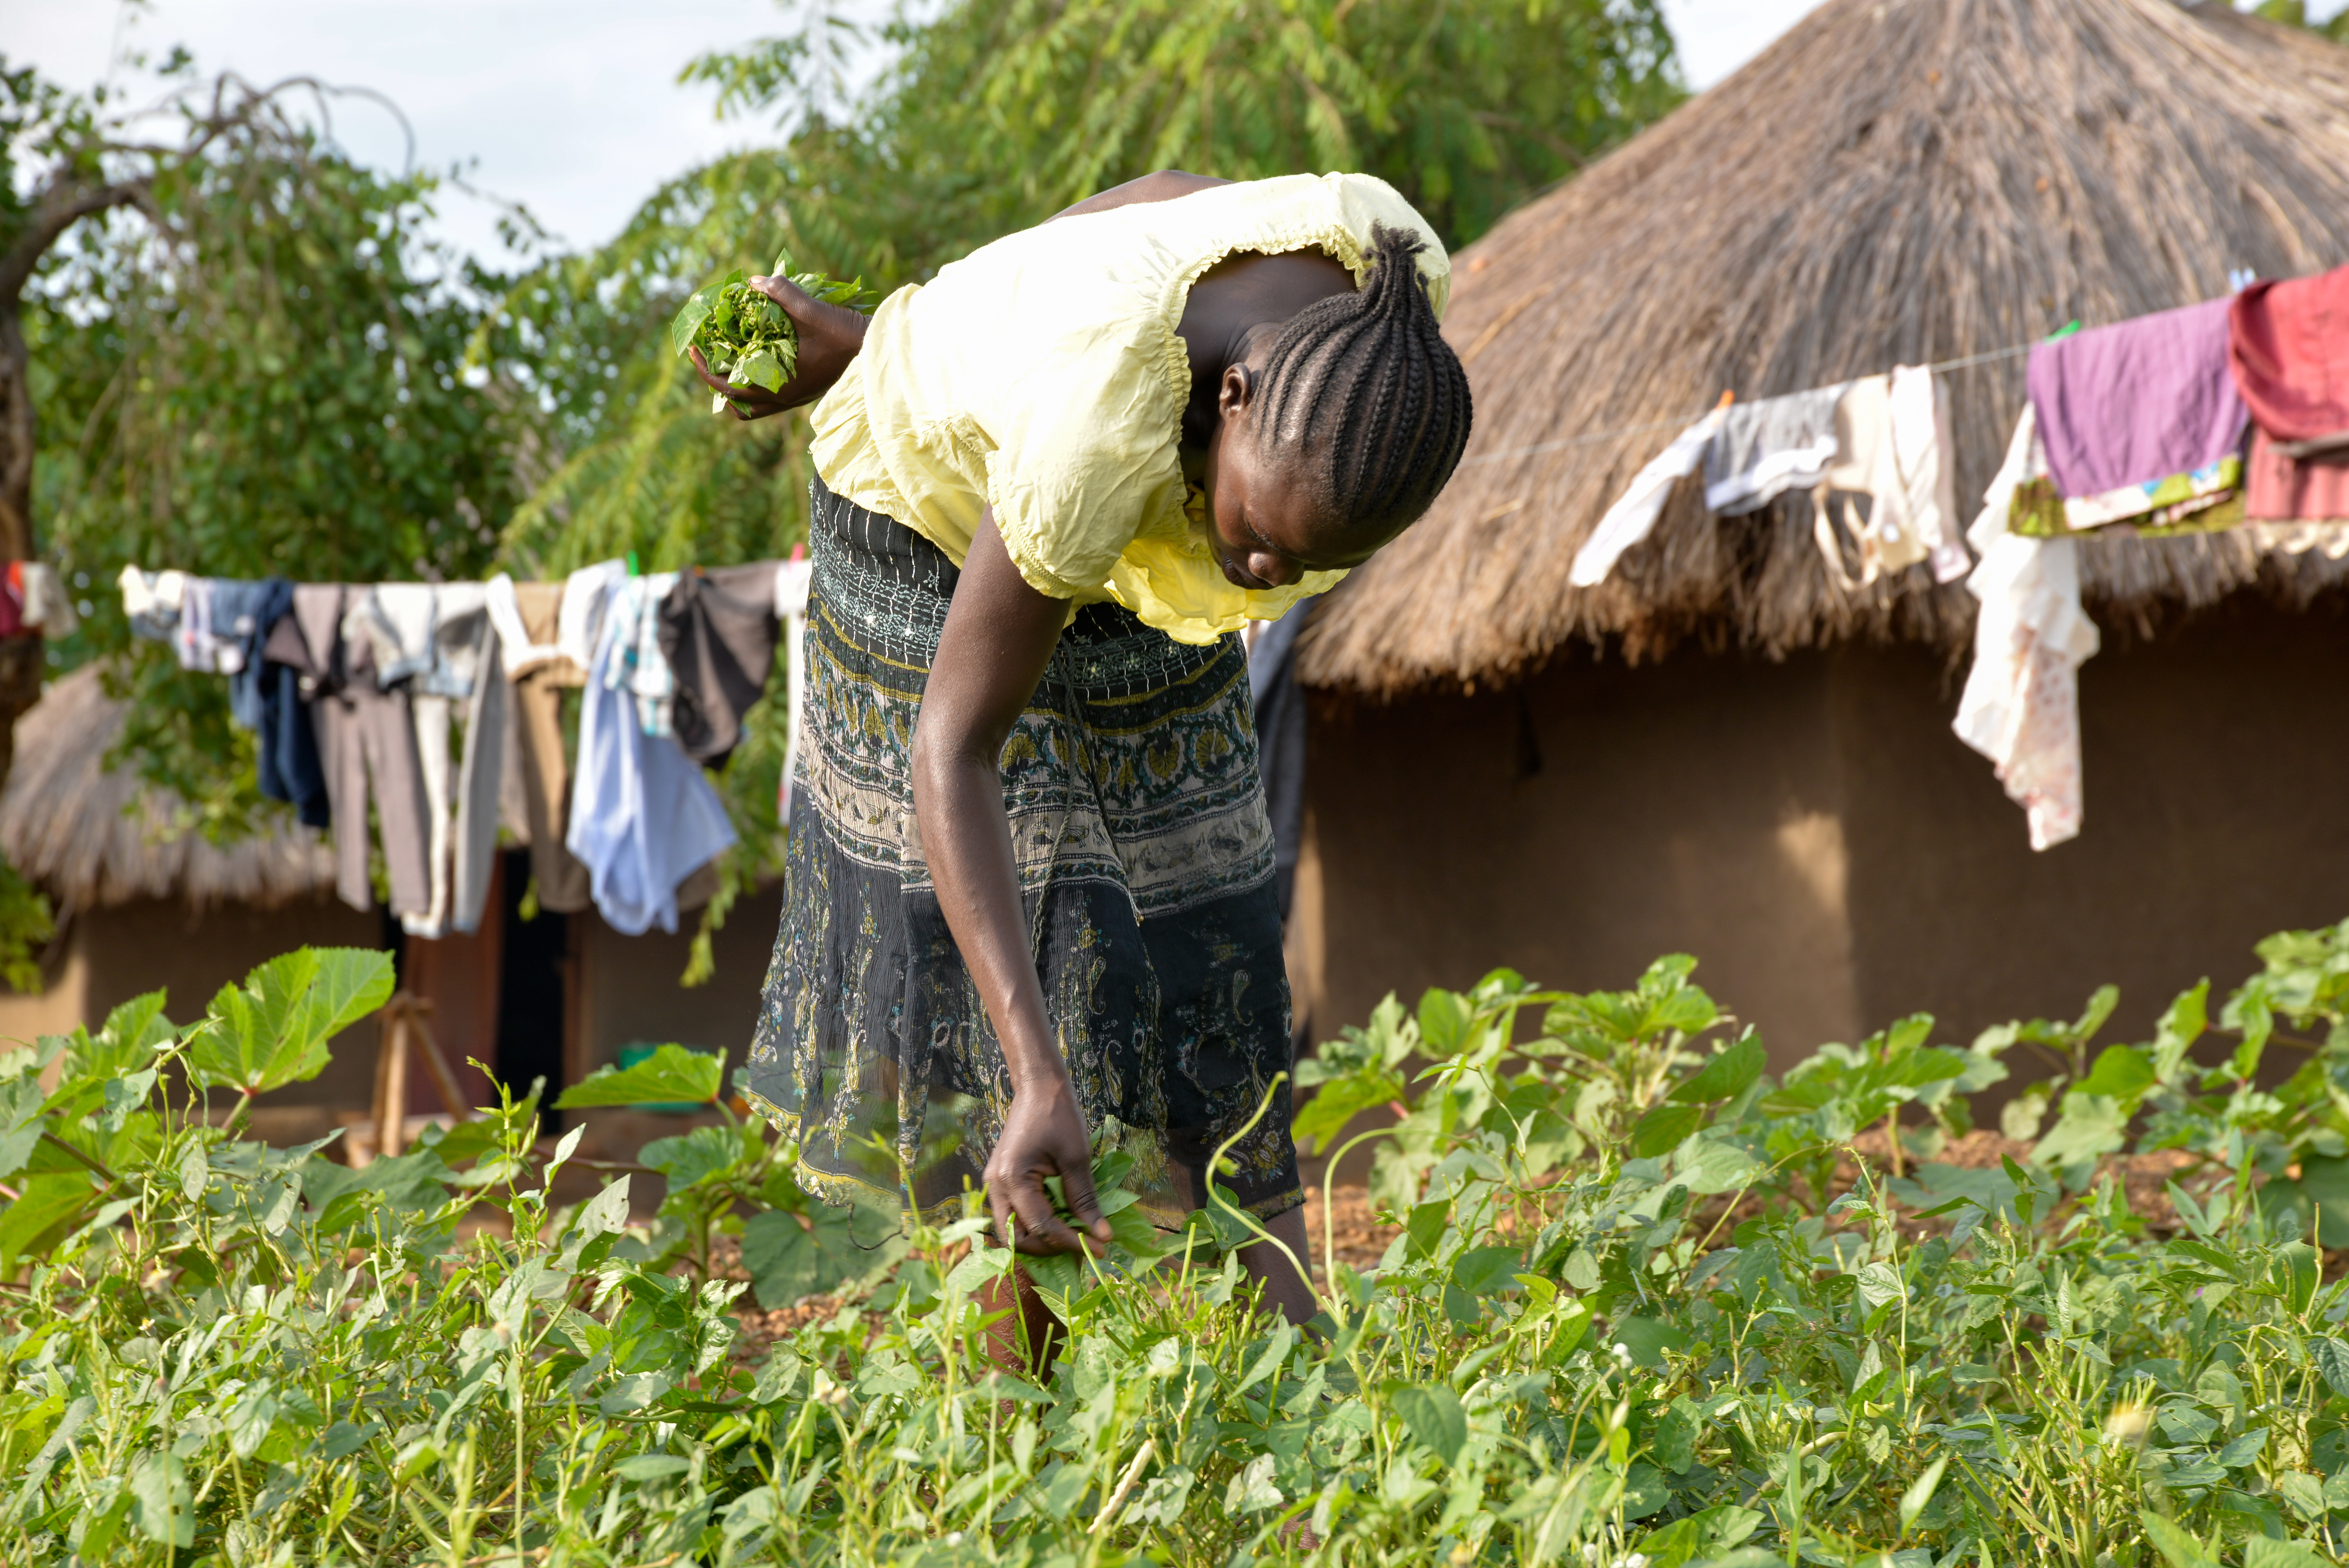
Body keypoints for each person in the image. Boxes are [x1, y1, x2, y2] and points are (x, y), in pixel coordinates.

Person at [713, 169, 1471, 1350]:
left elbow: (1163, 205)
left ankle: (1299, 1370)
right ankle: (1026, 1424)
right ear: (1231, 393)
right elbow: (951, 751)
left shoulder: (1387, 276)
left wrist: (933, 341)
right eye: (1265, 543)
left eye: (1309, 560)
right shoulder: (1098, 419)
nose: (1266, 579)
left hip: (1124, 498)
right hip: (929, 528)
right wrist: (1036, 1076)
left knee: (1209, 902)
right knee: (1060, 949)